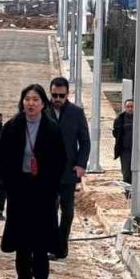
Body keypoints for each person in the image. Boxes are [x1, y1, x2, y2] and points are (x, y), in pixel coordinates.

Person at [0, 84, 65, 279]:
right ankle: (23, 278)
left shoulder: (51, 128)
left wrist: (51, 184)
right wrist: (9, 184)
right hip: (20, 187)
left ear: (43, 103)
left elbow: (60, 159)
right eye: (27, 99)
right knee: (22, 233)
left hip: (43, 188)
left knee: (42, 233)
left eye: (35, 99)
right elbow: (2, 157)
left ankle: (41, 276)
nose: (31, 103)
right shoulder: (13, 126)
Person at [47, 77, 91, 260]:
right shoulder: (41, 111)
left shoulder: (76, 113)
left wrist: (81, 165)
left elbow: (85, 142)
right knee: (48, 210)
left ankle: (61, 245)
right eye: (54, 95)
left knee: (67, 211)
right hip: (45, 171)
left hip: (68, 171)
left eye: (61, 95)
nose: (57, 98)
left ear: (67, 94)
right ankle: (49, 245)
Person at [112, 99, 135, 190]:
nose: (130, 108)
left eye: (131, 106)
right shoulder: (120, 119)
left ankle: (136, 192)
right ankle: (127, 191)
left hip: (136, 150)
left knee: (136, 172)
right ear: (125, 107)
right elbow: (115, 133)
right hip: (125, 150)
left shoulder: (139, 118)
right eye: (128, 107)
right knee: (126, 172)